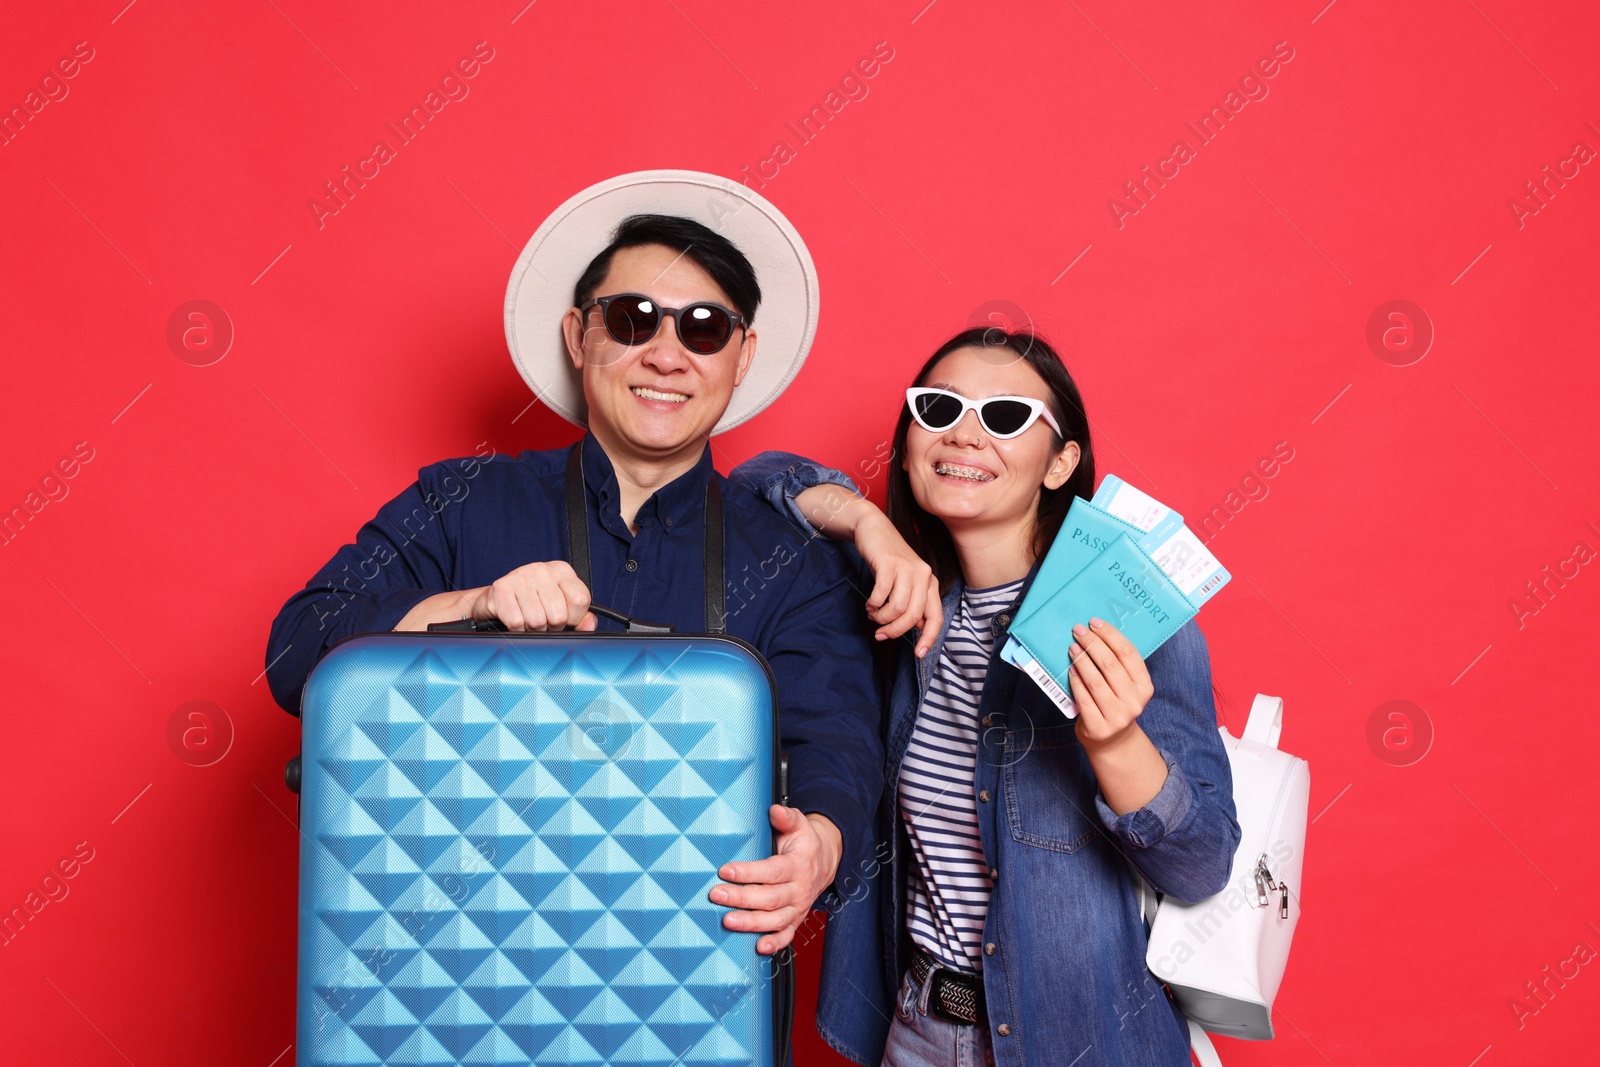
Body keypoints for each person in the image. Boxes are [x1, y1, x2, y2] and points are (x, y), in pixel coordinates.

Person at [265, 171, 897, 963]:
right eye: (633, 319)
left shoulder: (794, 557)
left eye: (704, 329)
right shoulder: (463, 498)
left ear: (742, 358)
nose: (667, 355)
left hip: (692, 965)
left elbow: (834, 737)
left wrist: (822, 846)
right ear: (578, 337)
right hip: (444, 958)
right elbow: (299, 647)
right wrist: (474, 605)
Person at [741, 327, 1242, 1066]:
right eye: (938, 409)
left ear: (1060, 462)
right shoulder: (898, 604)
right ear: (910, 443)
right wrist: (866, 521)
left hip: (1082, 1042)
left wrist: (1113, 744)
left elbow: (1202, 865)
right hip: (915, 1030)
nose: (965, 434)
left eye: (1005, 417)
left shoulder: (1132, 625)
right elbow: (755, 481)